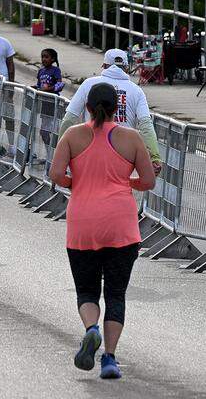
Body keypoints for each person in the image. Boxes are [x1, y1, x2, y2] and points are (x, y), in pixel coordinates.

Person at [48, 83, 155, 380]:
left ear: (88, 108)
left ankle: (90, 329)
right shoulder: (131, 138)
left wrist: (76, 184)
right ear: (116, 109)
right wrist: (124, 183)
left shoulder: (72, 135)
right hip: (120, 225)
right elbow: (148, 181)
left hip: (83, 223)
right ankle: (109, 358)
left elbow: (56, 174)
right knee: (116, 294)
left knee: (87, 291)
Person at [60, 49, 161, 172]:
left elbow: (69, 119)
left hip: (91, 151)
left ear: (104, 66)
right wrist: (154, 156)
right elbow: (146, 125)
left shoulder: (88, 84)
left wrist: (60, 154)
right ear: (126, 67)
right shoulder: (136, 91)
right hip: (124, 156)